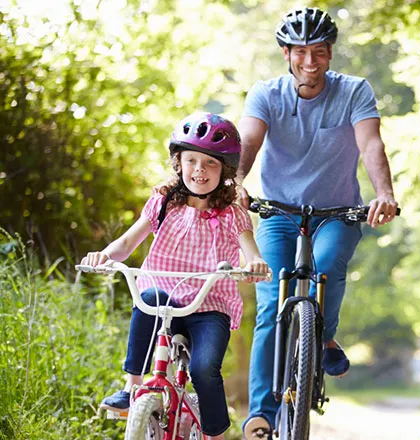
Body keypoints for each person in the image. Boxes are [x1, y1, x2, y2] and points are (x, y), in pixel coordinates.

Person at [236, 6, 399, 438]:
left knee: (327, 266)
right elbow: (249, 140)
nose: (311, 62)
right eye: (302, 52)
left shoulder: (354, 91)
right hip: (277, 213)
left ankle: (322, 335)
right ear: (286, 54)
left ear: (330, 54)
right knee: (272, 302)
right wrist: (234, 181)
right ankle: (262, 415)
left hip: (337, 213)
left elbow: (371, 145)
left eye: (320, 52)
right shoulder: (266, 94)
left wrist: (384, 193)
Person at [81, 113, 270, 439]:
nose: (199, 169)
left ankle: (215, 434)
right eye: (191, 160)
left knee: (203, 369)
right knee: (148, 297)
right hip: (164, 298)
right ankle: (133, 387)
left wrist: (255, 263)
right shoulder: (163, 203)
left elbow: (249, 248)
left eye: (210, 164)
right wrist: (104, 256)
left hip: (209, 305)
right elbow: (127, 243)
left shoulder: (231, 213)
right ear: (178, 163)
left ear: (224, 171)